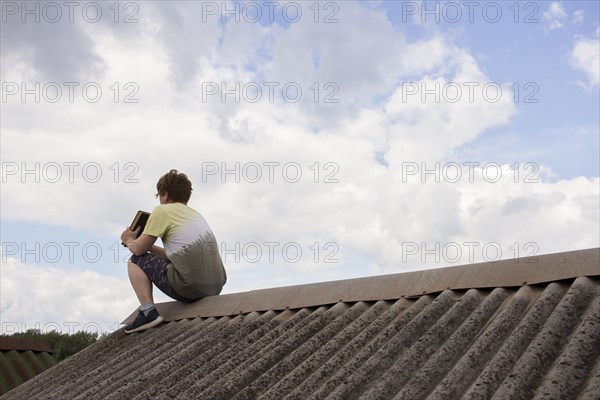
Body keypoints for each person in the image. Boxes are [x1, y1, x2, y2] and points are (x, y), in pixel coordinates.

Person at [120, 169, 227, 333]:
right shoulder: (195, 215)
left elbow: (139, 251)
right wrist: (142, 244)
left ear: (164, 195)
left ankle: (148, 312)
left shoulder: (162, 211)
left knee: (134, 260)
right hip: (215, 287)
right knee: (149, 258)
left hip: (190, 288)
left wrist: (128, 241)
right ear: (187, 196)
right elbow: (174, 256)